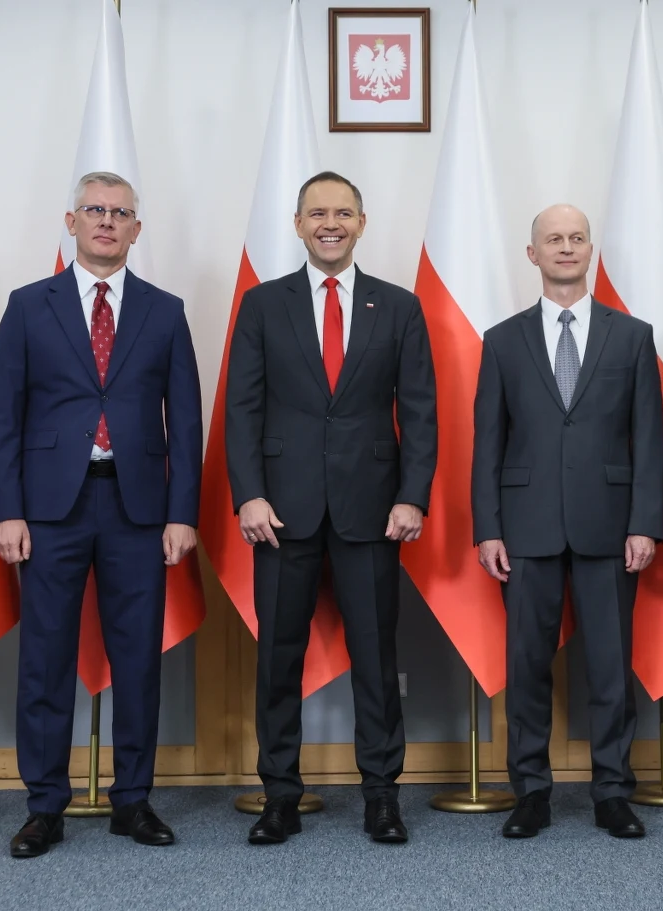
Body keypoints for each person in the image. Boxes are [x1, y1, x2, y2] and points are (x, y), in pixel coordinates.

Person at [0, 171, 202, 858]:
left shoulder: (165, 311)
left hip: (138, 509)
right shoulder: (29, 305)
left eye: (120, 212)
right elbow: (3, 416)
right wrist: (7, 511)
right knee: (44, 659)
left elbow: (186, 422)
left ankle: (132, 800)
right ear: (72, 221)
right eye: (95, 210)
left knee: (137, 661)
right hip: (50, 510)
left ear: (136, 229)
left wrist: (182, 512)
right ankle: (44, 806)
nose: (107, 221)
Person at [225, 171, 437, 845]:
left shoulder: (398, 307)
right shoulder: (263, 304)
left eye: (343, 213)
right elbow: (241, 408)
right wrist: (248, 493)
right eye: (317, 213)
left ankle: (382, 795)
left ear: (361, 224)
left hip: (372, 509)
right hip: (280, 510)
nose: (330, 224)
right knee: (277, 660)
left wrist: (412, 495)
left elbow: (421, 412)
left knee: (376, 657)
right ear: (298, 224)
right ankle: (279, 796)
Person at [472, 204, 663, 839]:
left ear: (589, 250)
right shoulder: (502, 340)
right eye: (553, 239)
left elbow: (647, 438)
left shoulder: (631, 336)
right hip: (524, 527)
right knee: (526, 665)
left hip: (610, 525)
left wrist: (645, 523)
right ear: (533, 254)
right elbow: (487, 441)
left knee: (610, 666)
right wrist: (488, 528)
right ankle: (531, 792)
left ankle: (612, 791)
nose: (565, 247)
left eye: (576, 237)